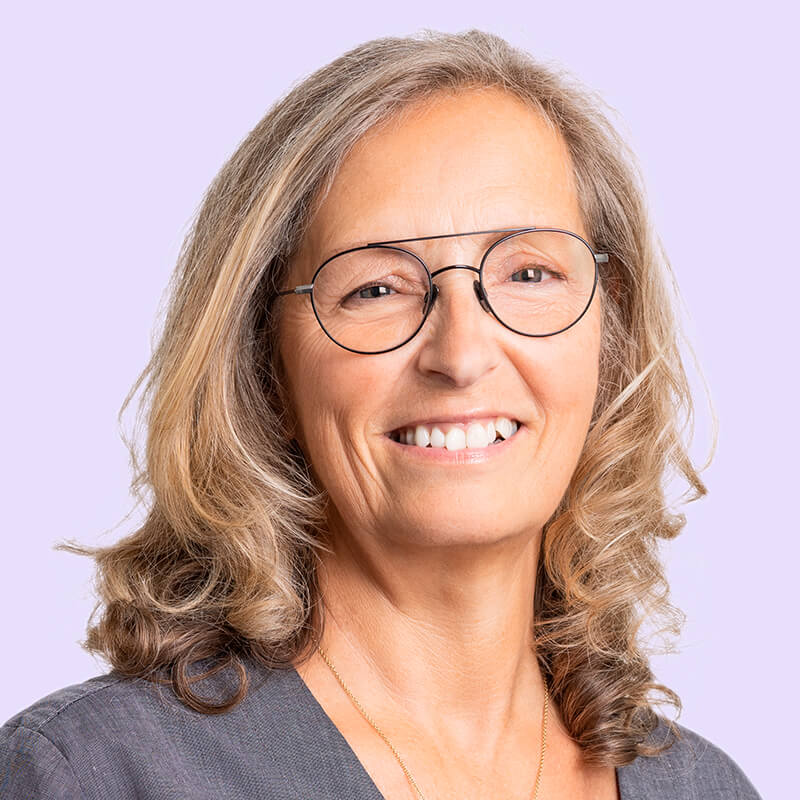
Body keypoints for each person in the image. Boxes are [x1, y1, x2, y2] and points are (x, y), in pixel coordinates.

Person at [0, 29, 762, 800]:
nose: (461, 355)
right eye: (376, 289)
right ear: (266, 365)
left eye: (529, 273)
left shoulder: (706, 791)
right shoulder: (97, 774)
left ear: (610, 333)